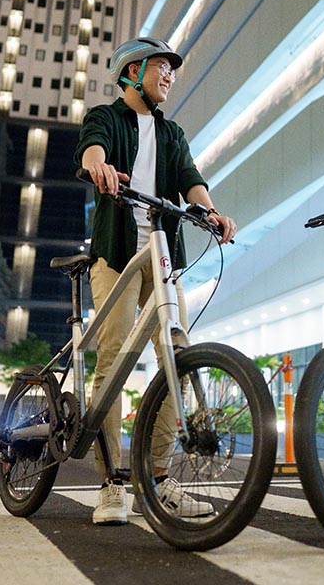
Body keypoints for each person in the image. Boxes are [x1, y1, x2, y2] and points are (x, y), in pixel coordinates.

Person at [74, 37, 237, 526]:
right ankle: (110, 485)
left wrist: (208, 209)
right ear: (132, 72)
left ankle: (159, 480)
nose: (169, 76)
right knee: (115, 359)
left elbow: (189, 175)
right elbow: (91, 149)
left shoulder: (172, 133)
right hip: (117, 252)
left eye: (171, 70)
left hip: (161, 255)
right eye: (161, 67)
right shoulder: (106, 116)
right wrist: (98, 167)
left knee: (176, 361)